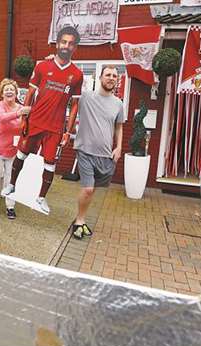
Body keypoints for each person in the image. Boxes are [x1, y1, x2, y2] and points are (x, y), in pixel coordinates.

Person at [1, 26, 84, 214]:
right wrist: (24, 118)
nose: (66, 46)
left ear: (75, 47)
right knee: (21, 154)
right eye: (64, 42)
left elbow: (75, 105)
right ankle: (12, 185)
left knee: (50, 163)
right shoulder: (42, 66)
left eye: (71, 43)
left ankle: (40, 198)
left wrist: (68, 132)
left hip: (55, 128)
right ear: (57, 44)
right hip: (35, 122)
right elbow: (30, 93)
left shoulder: (77, 75)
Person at [70, 65, 124, 239]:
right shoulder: (86, 97)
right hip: (85, 150)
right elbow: (69, 82)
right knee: (88, 189)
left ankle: (82, 219)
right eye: (108, 75)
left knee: (92, 191)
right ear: (100, 78)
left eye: (115, 76)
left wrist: (119, 147)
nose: (111, 78)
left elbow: (119, 126)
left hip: (105, 155)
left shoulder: (118, 103)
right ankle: (78, 221)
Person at [0, 78, 30, 219]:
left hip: (13, 151)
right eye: (6, 90)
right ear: (2, 93)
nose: (9, 91)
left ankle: (10, 207)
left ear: (16, 93)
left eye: (12, 89)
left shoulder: (21, 107)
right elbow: (2, 118)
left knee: (11, 181)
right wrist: (19, 113)